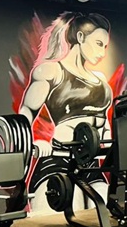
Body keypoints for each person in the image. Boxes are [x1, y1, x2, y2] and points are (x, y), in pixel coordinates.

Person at [19, 12, 113, 195]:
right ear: (80, 37)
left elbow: (104, 124)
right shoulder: (51, 71)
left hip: (91, 165)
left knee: (100, 206)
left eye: (105, 46)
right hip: (58, 160)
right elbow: (26, 113)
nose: (102, 53)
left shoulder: (101, 80)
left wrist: (112, 149)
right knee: (59, 209)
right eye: (98, 44)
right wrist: (33, 143)